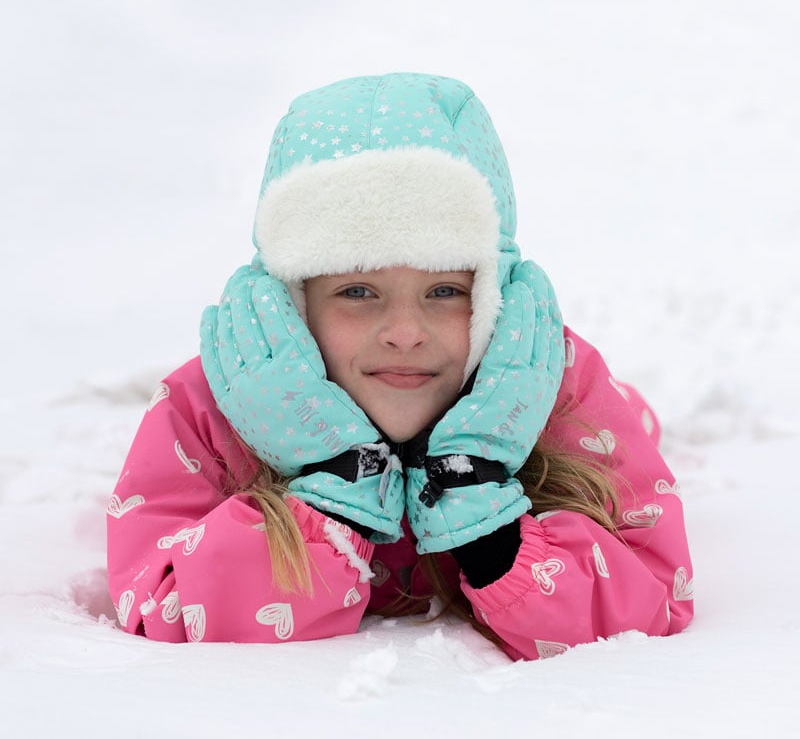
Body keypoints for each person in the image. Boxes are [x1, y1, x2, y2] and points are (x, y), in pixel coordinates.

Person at [106, 73, 693, 660]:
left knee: (623, 417)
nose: (406, 333)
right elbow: (162, 601)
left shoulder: (549, 382)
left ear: (491, 297)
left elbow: (654, 598)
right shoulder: (216, 401)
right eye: (358, 292)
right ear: (295, 304)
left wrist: (484, 516)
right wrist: (335, 485)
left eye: (444, 291)